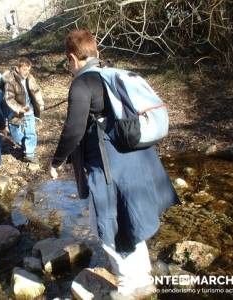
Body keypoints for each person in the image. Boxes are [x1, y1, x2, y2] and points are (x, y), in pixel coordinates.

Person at [49, 29, 179, 299]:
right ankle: (142, 277)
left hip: (109, 169)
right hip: (135, 161)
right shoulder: (112, 75)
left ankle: (130, 288)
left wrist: (56, 161)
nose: (69, 68)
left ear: (73, 58)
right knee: (130, 218)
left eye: (68, 62)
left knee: (108, 226)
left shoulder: (82, 84)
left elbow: (73, 130)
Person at [3, 57, 44, 164]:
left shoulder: (30, 78)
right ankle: (25, 146)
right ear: (17, 68)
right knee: (15, 132)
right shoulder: (10, 81)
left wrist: (40, 103)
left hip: (29, 111)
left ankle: (29, 154)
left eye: (29, 70)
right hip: (15, 113)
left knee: (31, 132)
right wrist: (19, 108)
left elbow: (37, 90)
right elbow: (9, 98)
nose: (27, 72)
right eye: (25, 69)